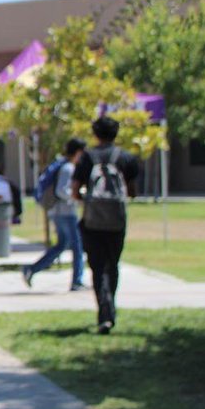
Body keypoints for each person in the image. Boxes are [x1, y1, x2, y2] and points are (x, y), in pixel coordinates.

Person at [72, 116, 139, 334]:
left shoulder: (87, 158)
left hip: (93, 220)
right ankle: (110, 308)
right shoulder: (125, 158)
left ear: (95, 133)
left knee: (97, 266)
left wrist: (88, 200)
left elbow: (75, 190)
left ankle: (104, 311)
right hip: (116, 220)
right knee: (113, 264)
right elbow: (132, 191)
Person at [22, 138, 86, 291]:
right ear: (78, 152)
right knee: (77, 246)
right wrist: (77, 196)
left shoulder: (62, 165)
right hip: (66, 212)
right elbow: (61, 190)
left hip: (58, 212)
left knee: (61, 245)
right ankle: (77, 281)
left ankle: (32, 269)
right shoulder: (68, 168)